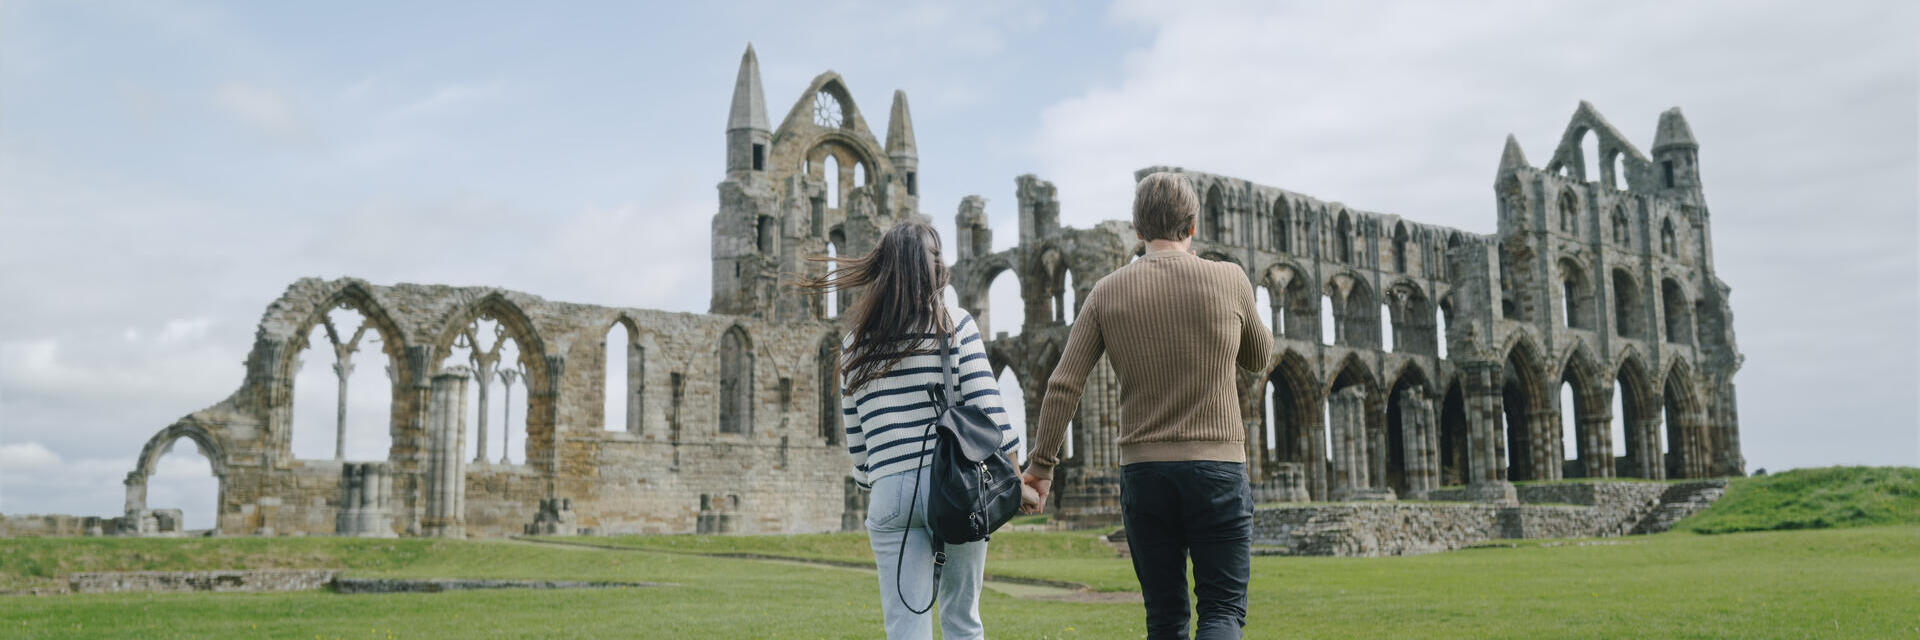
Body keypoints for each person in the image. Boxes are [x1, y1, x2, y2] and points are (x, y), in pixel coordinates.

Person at [1019, 172, 1274, 639]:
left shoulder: (1106, 291)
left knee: (1164, 617)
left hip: (1145, 472)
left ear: (1137, 230)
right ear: (1192, 226)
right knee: (1221, 612)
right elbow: (1259, 359)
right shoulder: (1229, 278)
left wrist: (1041, 466)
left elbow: (1063, 384)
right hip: (1218, 468)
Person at [798, 219, 1021, 640]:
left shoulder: (854, 344)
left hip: (889, 493)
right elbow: (989, 410)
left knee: (904, 628)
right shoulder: (954, 324)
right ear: (933, 269)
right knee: (962, 620)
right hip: (955, 485)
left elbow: (858, 443)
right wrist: (1015, 481)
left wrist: (879, 482)